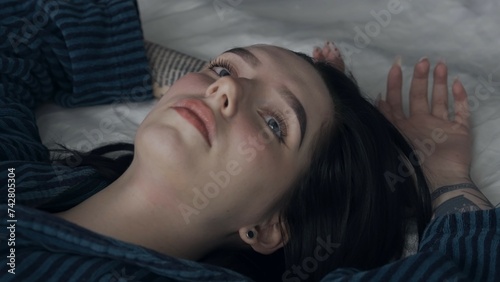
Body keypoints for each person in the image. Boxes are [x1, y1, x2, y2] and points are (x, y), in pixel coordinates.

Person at [0, 1, 497, 281]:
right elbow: (26, 29)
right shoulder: (18, 180)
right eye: (222, 67)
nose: (226, 88)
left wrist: (445, 175)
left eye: (276, 123)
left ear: (270, 226)